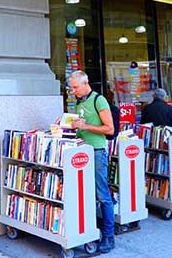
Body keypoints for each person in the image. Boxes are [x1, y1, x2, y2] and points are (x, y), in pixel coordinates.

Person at [69, 70, 115, 253]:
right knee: (86, 194)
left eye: (75, 87)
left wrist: (85, 126)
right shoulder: (79, 101)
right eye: (72, 88)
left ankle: (109, 237)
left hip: (96, 153)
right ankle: (89, 231)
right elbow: (80, 127)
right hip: (81, 152)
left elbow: (110, 129)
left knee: (103, 195)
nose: (73, 91)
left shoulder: (99, 100)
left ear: (85, 83)